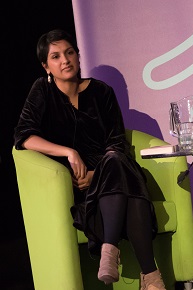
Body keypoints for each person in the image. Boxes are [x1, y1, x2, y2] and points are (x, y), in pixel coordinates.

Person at [13, 29, 166, 290]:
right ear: (46, 66)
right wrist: (69, 152)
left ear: (78, 55)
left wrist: (97, 175)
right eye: (56, 56)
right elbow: (23, 137)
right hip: (82, 187)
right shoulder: (42, 91)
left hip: (108, 170)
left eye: (70, 52)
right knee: (132, 194)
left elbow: (117, 143)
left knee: (116, 161)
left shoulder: (102, 92)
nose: (65, 60)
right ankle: (151, 278)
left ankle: (109, 249)